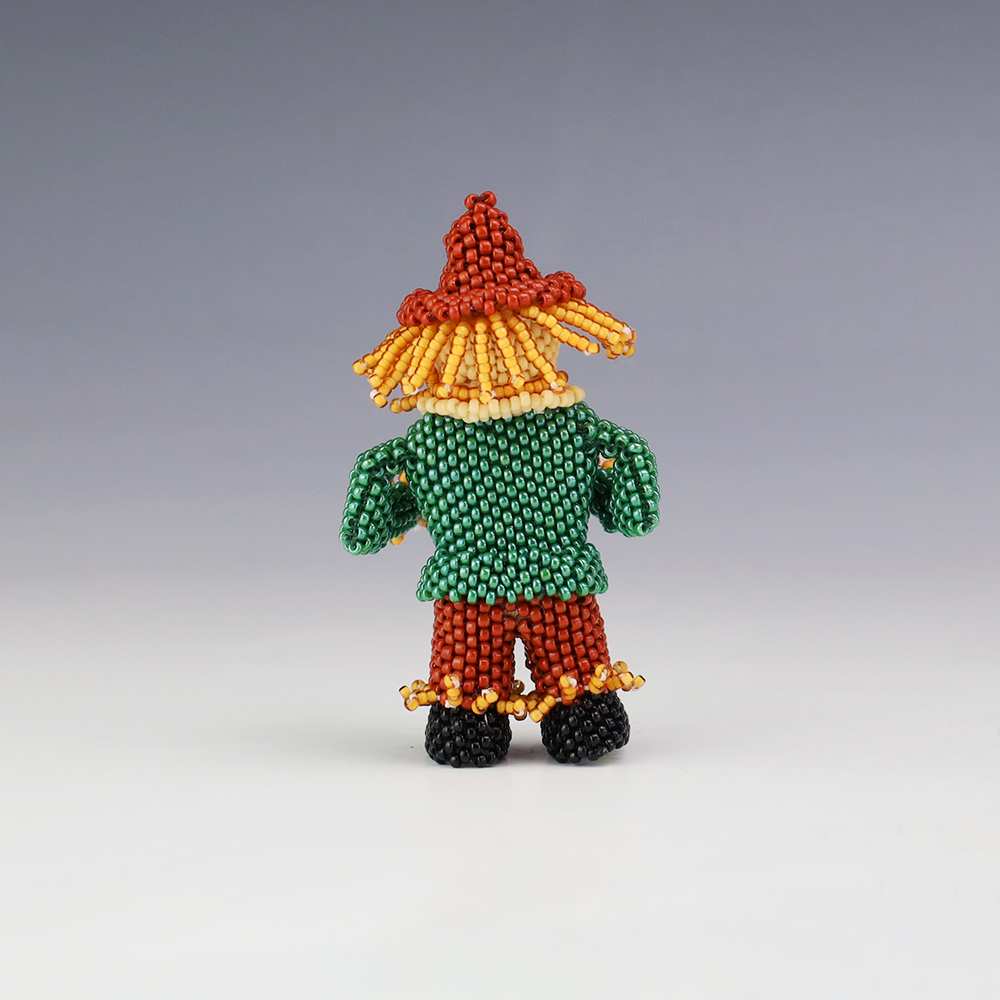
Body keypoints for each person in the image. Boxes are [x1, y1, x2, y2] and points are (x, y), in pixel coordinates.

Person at [342, 192, 659, 767]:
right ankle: (553, 716)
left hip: (486, 584)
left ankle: (479, 722)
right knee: (560, 665)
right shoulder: (560, 427)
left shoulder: (436, 437)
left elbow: (376, 487)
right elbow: (628, 461)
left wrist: (372, 520)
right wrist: (628, 508)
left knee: (480, 675)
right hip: (547, 580)